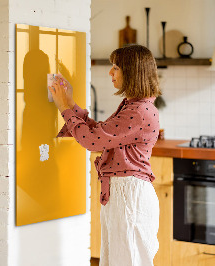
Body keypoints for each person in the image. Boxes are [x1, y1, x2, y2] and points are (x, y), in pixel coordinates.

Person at [48, 44, 162, 266]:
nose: (110, 72)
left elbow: (91, 141)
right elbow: (100, 133)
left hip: (129, 196)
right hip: (123, 194)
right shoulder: (134, 106)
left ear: (132, 72)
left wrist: (64, 108)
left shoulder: (138, 111)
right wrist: (70, 103)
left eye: (116, 67)